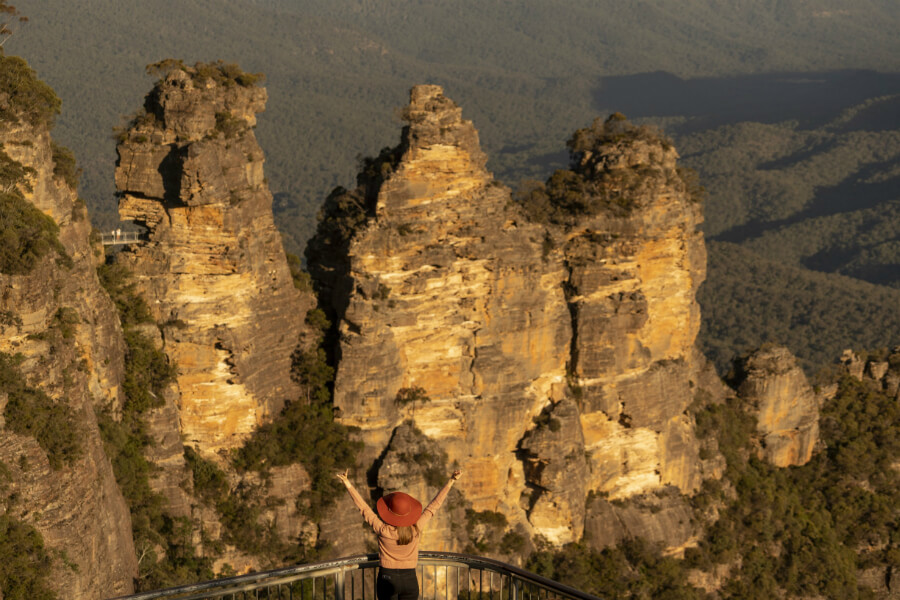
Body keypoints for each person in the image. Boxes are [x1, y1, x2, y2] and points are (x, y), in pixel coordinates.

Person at [336, 468, 462, 600]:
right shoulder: (416, 528)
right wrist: (451, 481)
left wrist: (347, 483)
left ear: (390, 513)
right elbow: (433, 507)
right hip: (410, 580)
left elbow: (364, 509)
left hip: (387, 577)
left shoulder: (383, 530)